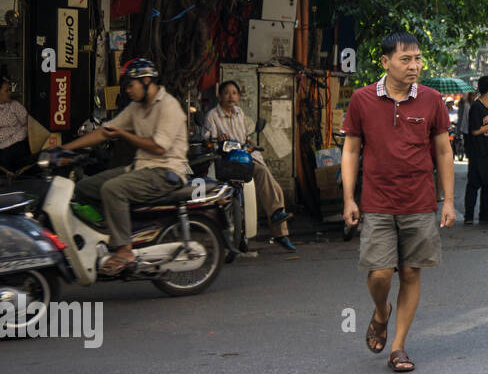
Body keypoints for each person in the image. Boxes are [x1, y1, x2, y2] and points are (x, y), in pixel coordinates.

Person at [341, 31, 454, 374]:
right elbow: (351, 150)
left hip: (420, 202)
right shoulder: (361, 100)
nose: (414, 66)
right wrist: (348, 198)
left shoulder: (432, 100)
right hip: (376, 201)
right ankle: (380, 312)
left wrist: (448, 200)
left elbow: (443, 150)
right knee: (380, 273)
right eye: (406, 59)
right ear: (385, 61)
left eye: (418, 58)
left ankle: (399, 347)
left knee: (410, 271)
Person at [60, 58, 190, 275]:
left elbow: (159, 147)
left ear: (147, 81)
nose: (128, 90)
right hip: (139, 168)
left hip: (166, 171)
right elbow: (105, 131)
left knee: (113, 189)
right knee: (83, 187)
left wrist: (123, 134)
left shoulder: (169, 106)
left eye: (131, 85)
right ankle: (109, 234)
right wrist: (65, 149)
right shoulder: (135, 107)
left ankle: (124, 249)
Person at [202, 80, 296, 252]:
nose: (231, 96)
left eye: (234, 93)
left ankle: (280, 232)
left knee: (275, 188)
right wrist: (216, 141)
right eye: (227, 93)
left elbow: (245, 137)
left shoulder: (239, 113)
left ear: (238, 97)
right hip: (224, 162)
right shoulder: (212, 116)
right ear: (220, 96)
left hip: (243, 158)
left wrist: (251, 142)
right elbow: (207, 138)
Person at [464, 76, 488, 225]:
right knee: (473, 184)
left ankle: (486, 213)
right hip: (478, 152)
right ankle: (469, 216)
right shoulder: (476, 106)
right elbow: (474, 130)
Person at [0, 76, 30, 172]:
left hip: (18, 143)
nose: (10, 93)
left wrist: (8, 142)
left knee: (6, 156)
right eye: (7, 91)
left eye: (9, 90)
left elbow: (28, 127)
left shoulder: (15, 105)